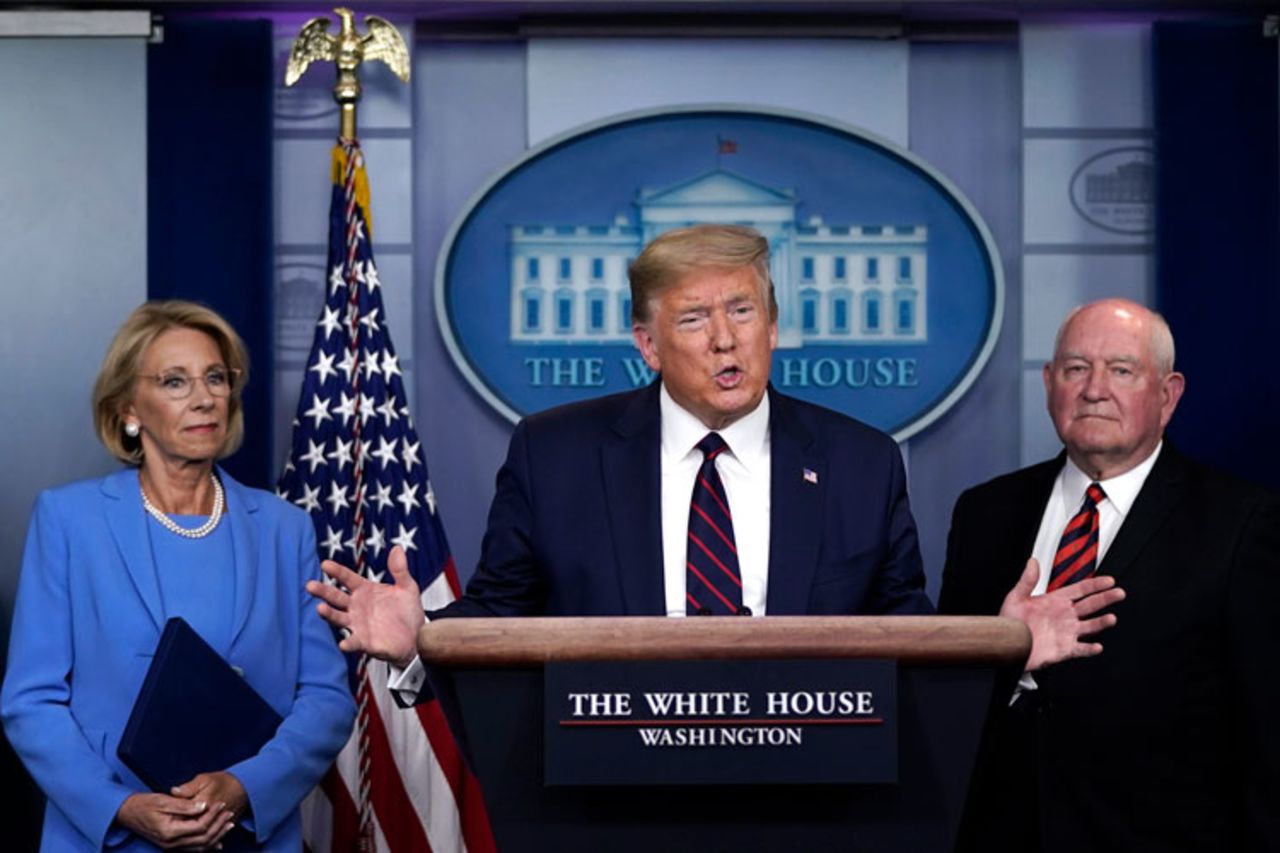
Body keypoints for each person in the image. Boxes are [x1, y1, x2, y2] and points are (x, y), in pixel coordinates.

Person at [309, 225, 1119, 694]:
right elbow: (501, 617)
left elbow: (901, 632)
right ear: (647, 344)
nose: (727, 338)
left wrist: (995, 649)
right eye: (695, 318)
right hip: (608, 799)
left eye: (744, 310)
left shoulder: (859, 461)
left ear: (772, 325)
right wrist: (423, 639)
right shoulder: (555, 454)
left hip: (811, 801)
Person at [1, 301, 355, 851]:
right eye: (174, 381)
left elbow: (326, 699)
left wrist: (244, 787)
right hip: (106, 836)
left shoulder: (284, 529)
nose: (203, 397)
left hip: (246, 835)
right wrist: (120, 806)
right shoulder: (69, 521)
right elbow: (31, 701)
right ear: (128, 410)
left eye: (215, 377)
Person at [939, 299, 1280, 852]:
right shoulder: (984, 514)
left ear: (1167, 396)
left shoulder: (1243, 524)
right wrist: (1003, 652)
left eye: (1121, 370)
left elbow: (1267, 738)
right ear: (1050, 384)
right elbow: (943, 708)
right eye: (1076, 369)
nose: (1094, 389)